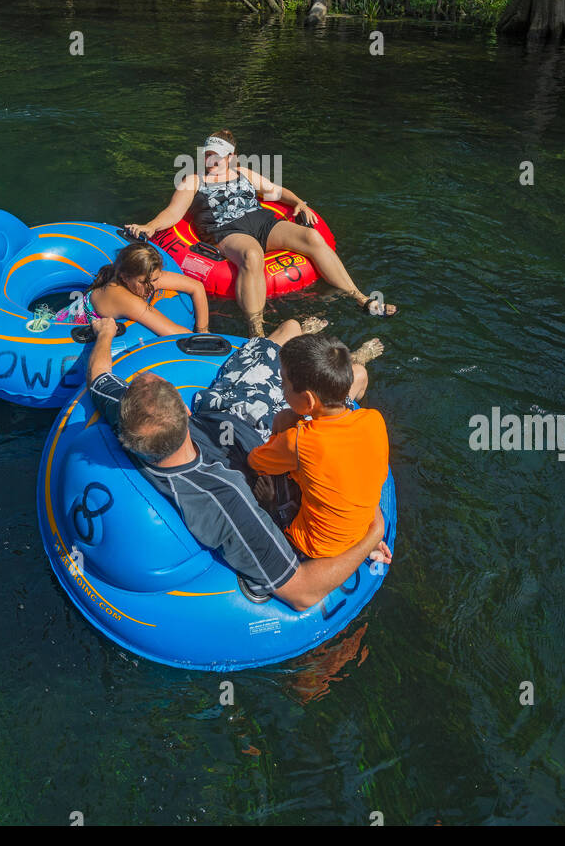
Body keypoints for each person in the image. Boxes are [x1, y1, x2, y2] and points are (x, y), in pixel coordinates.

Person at [87, 314, 391, 609]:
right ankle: (351, 360)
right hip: (255, 426)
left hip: (237, 418)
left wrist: (104, 334)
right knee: (346, 370)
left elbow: (100, 377)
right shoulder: (225, 501)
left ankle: (339, 357)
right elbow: (303, 594)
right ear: (186, 409)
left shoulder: (133, 419)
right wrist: (371, 531)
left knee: (285, 335)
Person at [126, 129, 397, 337]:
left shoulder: (244, 173)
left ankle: (360, 298)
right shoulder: (193, 181)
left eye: (217, 156)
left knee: (313, 238)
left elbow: (277, 192)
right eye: (208, 154)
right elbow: (173, 213)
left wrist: (299, 202)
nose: (211, 160)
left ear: (231, 157)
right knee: (252, 254)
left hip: (262, 222)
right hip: (225, 230)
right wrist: (150, 226)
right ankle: (257, 331)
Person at [248, 331, 390, 560]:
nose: (282, 391)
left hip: (313, 546)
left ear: (308, 400)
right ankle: (365, 546)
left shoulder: (299, 441)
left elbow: (255, 462)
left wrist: (283, 426)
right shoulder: (374, 419)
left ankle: (273, 508)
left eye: (284, 384)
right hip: (360, 532)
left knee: (262, 476)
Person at [54, 239, 209, 337]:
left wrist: (203, 330)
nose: (151, 287)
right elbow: (175, 334)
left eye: (155, 280)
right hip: (59, 331)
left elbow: (197, 287)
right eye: (144, 282)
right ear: (124, 277)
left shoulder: (143, 276)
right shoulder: (122, 297)